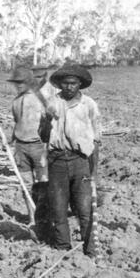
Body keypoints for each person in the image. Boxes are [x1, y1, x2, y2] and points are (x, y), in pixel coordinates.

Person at [44, 64, 100, 256]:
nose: (69, 87)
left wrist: (94, 170)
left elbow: (96, 139)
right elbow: (43, 136)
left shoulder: (89, 105)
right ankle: (62, 248)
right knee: (59, 208)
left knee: (84, 209)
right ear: (60, 84)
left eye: (73, 83)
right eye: (65, 83)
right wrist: (45, 120)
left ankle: (90, 251)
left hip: (80, 160)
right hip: (57, 160)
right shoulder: (52, 103)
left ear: (80, 84)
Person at [7, 67, 50, 241]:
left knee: (43, 185)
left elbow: (49, 124)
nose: (18, 86)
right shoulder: (16, 102)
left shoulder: (41, 99)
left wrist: (48, 147)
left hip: (38, 147)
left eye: (21, 83)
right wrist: (10, 141)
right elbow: (17, 123)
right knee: (25, 185)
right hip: (21, 147)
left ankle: (43, 219)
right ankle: (32, 217)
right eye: (16, 83)